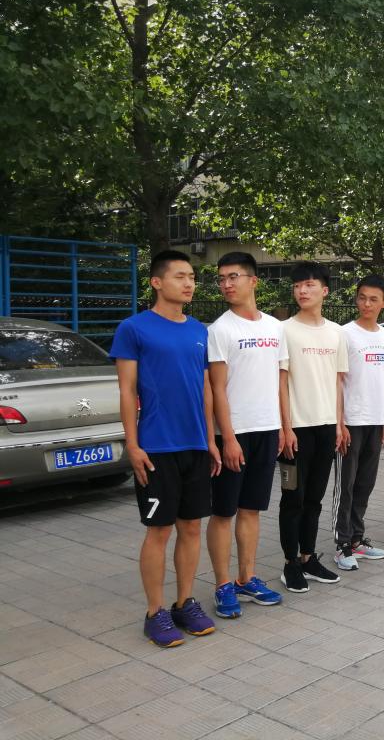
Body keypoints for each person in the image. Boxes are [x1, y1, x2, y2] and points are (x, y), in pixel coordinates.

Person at [110, 250, 222, 647]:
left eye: (191, 276)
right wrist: (133, 443)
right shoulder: (134, 329)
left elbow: (205, 389)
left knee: (191, 527)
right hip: (156, 446)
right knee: (159, 530)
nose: (189, 283)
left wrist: (210, 440)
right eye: (180, 276)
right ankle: (154, 612)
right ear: (157, 282)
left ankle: (184, 603)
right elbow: (127, 391)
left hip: (195, 444)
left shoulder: (198, 330)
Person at [206, 252, 286, 619]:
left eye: (233, 276)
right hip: (234, 434)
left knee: (251, 509)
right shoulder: (219, 330)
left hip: (267, 430)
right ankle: (223, 584)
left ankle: (246, 578)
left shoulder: (275, 327)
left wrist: (284, 427)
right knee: (224, 512)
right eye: (221, 278)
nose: (226, 284)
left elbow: (280, 382)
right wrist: (227, 438)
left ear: (253, 281)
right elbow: (216, 389)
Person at [278, 262, 348, 592]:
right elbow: (280, 383)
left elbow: (337, 382)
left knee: (315, 499)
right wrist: (285, 428)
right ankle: (290, 563)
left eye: (309, 285)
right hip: (295, 432)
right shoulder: (284, 330)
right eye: (297, 286)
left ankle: (308, 557)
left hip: (326, 429)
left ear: (325, 290)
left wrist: (339, 424)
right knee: (292, 496)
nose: (302, 291)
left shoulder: (336, 332)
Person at [331, 275, 384, 571]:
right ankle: (342, 544)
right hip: (350, 422)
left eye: (373, 299)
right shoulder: (344, 333)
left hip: (374, 421)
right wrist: (339, 423)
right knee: (346, 486)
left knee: (365, 484)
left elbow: (379, 381)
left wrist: (383, 421)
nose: (366, 304)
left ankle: (357, 538)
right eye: (362, 298)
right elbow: (337, 381)